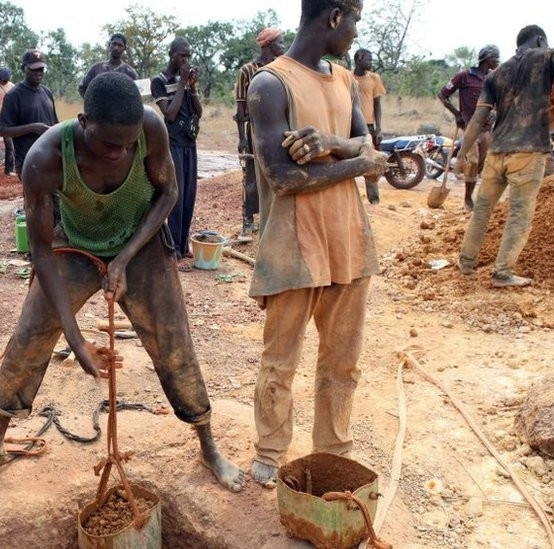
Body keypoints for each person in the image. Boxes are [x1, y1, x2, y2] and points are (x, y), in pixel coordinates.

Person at [0, 72, 245, 494]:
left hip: (140, 244)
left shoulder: (150, 127)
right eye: (109, 143)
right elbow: (40, 252)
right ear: (83, 121)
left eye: (128, 144)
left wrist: (124, 259)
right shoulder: (44, 159)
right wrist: (76, 341)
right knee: (31, 335)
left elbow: (168, 194)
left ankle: (208, 445)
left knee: (173, 340)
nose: (120, 152)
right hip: (74, 244)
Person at [245, 0, 386, 487]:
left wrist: (333, 144)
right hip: (293, 243)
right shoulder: (270, 84)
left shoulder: (345, 80)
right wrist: (356, 163)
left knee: (342, 360)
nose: (353, 33)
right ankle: (270, 451)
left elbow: (370, 148)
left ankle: (333, 451)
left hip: (348, 237)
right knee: (280, 358)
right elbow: (282, 177)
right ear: (333, 18)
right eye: (354, 22)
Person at [456, 25, 554, 287]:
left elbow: (478, 118)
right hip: (528, 154)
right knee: (520, 213)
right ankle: (502, 273)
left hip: (497, 152)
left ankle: (466, 262)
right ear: (540, 39)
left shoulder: (497, 74)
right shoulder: (546, 56)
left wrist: (462, 155)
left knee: (482, 210)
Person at [151, 37, 202, 270]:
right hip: (172, 144)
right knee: (176, 196)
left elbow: (198, 112)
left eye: (189, 56)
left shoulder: (186, 81)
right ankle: (172, 249)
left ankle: (183, 247)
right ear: (172, 56)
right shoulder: (159, 82)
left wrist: (191, 87)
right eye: (182, 55)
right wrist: (182, 83)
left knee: (190, 194)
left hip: (190, 144)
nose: (186, 60)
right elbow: (169, 115)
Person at [234, 27, 285, 241]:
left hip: (278, 131)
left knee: (275, 174)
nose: (283, 47)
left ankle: (272, 221)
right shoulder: (248, 70)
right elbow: (240, 110)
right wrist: (242, 139)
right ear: (268, 44)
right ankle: (248, 222)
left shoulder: (281, 69)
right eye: (280, 42)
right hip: (254, 131)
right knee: (252, 178)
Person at [438, 45, 500, 210]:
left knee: (482, 163)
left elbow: (500, 100)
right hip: (469, 126)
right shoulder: (464, 76)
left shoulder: (493, 78)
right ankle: (467, 198)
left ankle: (477, 195)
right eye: (496, 58)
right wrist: (457, 114)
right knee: (472, 160)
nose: (498, 61)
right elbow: (442, 94)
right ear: (487, 58)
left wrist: (496, 111)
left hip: (487, 128)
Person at [0, 49, 58, 177]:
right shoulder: (14, 95)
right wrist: (32, 128)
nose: (38, 74)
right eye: (33, 69)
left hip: (51, 159)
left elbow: (55, 123)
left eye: (41, 70)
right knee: (36, 197)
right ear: (23, 68)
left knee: (55, 197)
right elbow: (3, 130)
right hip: (28, 161)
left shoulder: (47, 92)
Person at [352, 48, 385, 204]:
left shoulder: (374, 78)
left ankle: (374, 199)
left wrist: (378, 128)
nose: (371, 63)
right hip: (349, 125)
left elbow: (377, 105)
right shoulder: (347, 77)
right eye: (369, 60)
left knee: (371, 163)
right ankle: (350, 199)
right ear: (358, 59)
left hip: (368, 126)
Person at [78, 32, 138, 97]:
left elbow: (136, 96)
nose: (116, 48)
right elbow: (82, 88)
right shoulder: (96, 68)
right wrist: (92, 103)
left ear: (124, 48)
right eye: (114, 44)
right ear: (109, 45)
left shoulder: (130, 72)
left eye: (120, 45)